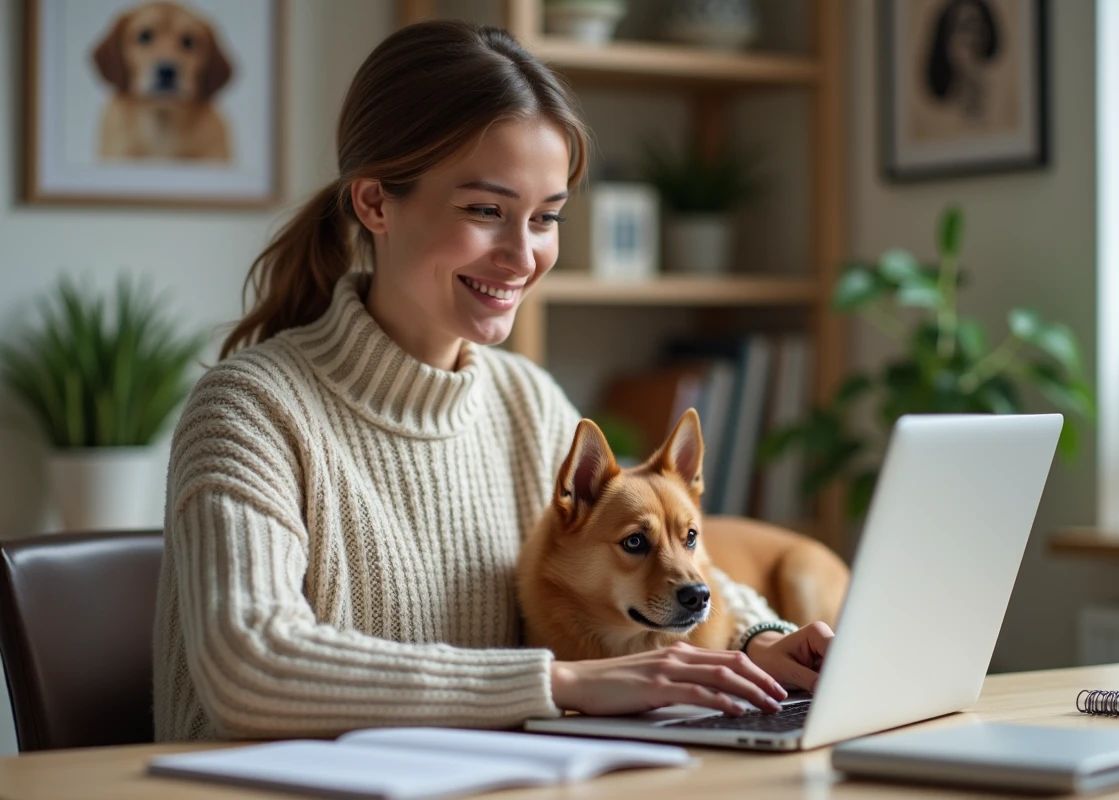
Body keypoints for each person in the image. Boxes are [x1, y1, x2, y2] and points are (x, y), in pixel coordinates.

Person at [152, 19, 832, 742]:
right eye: (485, 211)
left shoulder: (523, 401)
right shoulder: (250, 409)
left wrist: (760, 641)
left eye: (545, 218)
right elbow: (250, 665)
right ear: (375, 202)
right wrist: (562, 684)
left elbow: (682, 567)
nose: (522, 255)